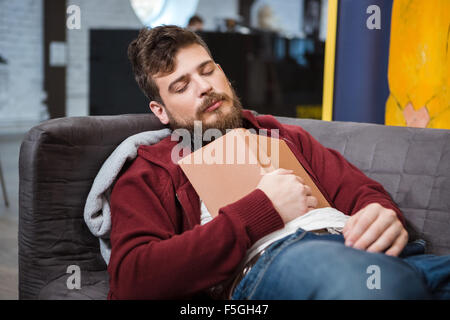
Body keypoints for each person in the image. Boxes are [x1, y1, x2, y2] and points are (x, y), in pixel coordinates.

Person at [106, 25, 450, 300]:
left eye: (207, 71)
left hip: (378, 253)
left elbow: (360, 191)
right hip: (280, 261)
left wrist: (381, 213)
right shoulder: (150, 172)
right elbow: (132, 279)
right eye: (181, 86)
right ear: (160, 112)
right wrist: (262, 209)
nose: (204, 87)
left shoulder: (282, 134)